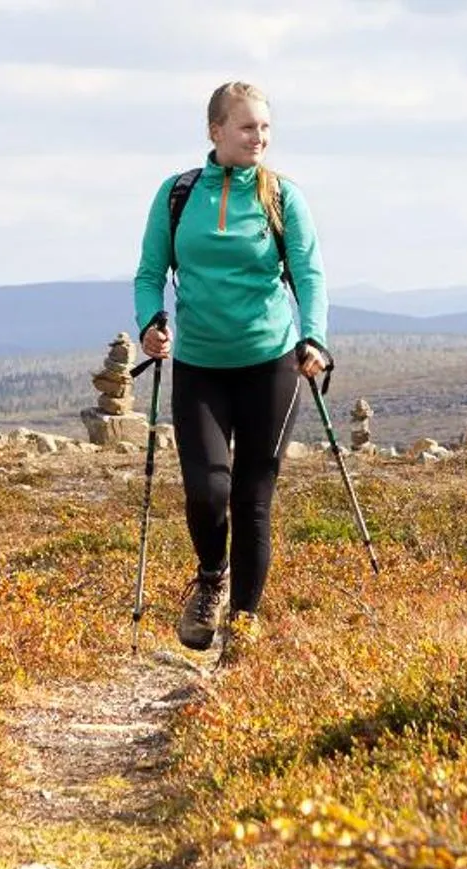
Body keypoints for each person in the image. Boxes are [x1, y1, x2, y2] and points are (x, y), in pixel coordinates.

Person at [132, 80, 329, 653]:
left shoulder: (283, 197)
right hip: (199, 364)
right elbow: (149, 272)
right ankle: (212, 580)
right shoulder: (177, 195)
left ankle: (242, 625)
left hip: (272, 364)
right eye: (247, 127)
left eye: (265, 128)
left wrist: (313, 337)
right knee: (206, 489)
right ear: (215, 131)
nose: (259, 138)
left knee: (252, 497)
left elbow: (310, 275)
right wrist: (151, 322)